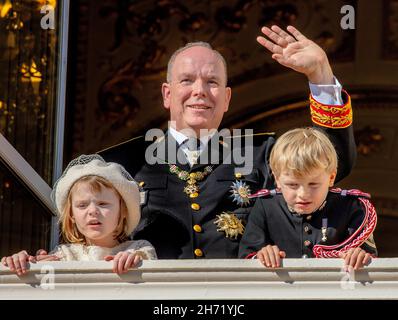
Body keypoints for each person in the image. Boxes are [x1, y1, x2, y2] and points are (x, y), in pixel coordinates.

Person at [99, 25, 357, 259]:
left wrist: (320, 73)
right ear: (167, 94)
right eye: (187, 80)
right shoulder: (119, 163)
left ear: (226, 98)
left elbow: (330, 160)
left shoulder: (261, 155)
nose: (199, 90)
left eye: (212, 82)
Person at [238, 128, 377, 270]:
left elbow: (370, 261)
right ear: (277, 179)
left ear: (331, 177)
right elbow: (246, 256)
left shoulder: (351, 208)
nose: (303, 194)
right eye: (292, 184)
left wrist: (359, 255)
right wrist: (261, 255)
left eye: (313, 184)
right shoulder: (265, 207)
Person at [1, 154, 157, 275]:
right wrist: (24, 264)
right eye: (82, 205)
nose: (93, 211)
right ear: (72, 216)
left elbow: (151, 270)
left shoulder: (139, 248)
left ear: (123, 211)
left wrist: (135, 261)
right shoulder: (63, 255)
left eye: (102, 204)